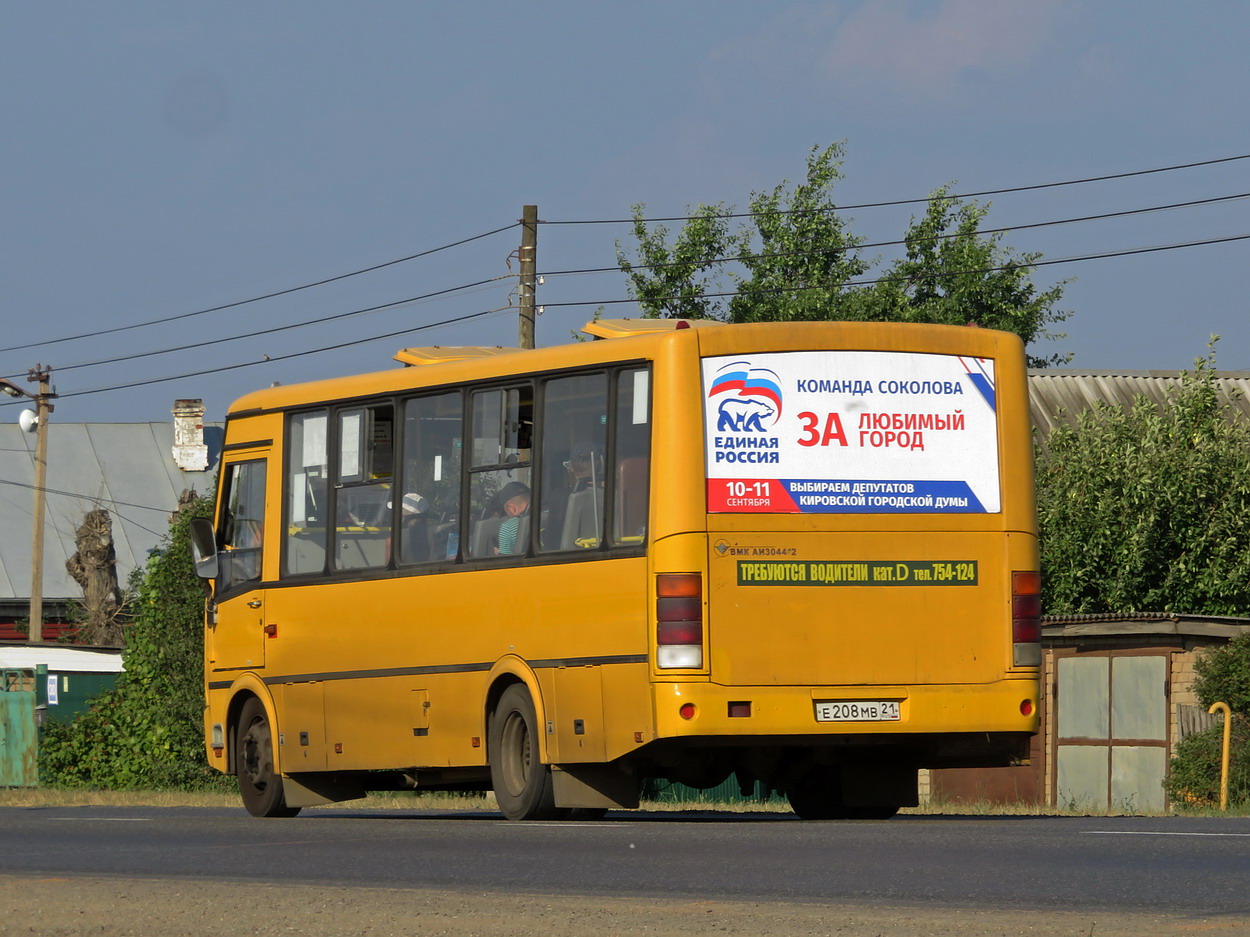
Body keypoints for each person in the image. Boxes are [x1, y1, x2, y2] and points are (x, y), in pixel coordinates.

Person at [495, 481, 530, 555]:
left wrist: (498, 553)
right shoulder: (550, 515)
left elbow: (504, 562)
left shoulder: (508, 527)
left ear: (511, 508)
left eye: (505, 513)